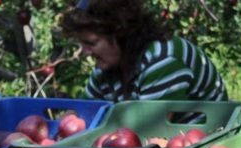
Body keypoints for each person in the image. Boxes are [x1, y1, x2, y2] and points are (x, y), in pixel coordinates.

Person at [61, 0, 228, 103]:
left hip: (204, 142)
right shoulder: (106, 70)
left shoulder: (162, 59)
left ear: (119, 33)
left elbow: (149, 132)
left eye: (91, 43)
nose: (85, 52)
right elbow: (81, 114)